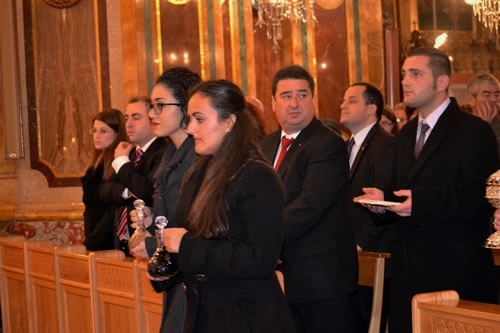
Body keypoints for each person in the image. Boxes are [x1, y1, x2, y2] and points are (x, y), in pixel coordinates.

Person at [355, 47, 499, 332]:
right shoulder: (407, 133)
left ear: (441, 82)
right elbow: (402, 191)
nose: (405, 81)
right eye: (404, 74)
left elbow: (477, 195)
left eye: (416, 74)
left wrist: (418, 203)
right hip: (409, 269)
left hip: (455, 269)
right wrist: (382, 201)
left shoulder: (473, 130)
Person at [161, 79, 295, 332]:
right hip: (206, 313)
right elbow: (199, 242)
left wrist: (186, 246)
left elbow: (259, 258)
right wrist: (168, 268)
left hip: (245, 317)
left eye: (200, 119)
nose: (190, 128)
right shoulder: (200, 170)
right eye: (189, 119)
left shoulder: (257, 176)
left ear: (229, 122)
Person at [261, 65, 358, 333]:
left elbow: (309, 205)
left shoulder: (327, 144)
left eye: (302, 95)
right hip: (278, 278)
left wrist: (262, 239)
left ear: (314, 99)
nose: (294, 103)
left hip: (320, 281)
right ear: (273, 102)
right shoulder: (265, 145)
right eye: (286, 95)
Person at [130, 67, 202, 333]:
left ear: (185, 106)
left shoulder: (198, 157)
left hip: (195, 281)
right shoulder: (169, 154)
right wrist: (149, 219)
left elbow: (194, 226)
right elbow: (169, 215)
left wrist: (152, 244)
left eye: (160, 105)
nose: (152, 114)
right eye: (152, 106)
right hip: (176, 278)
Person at [340, 82, 395, 333]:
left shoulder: (384, 144)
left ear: (372, 108)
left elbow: (381, 199)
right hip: (347, 251)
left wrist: (362, 242)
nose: (343, 105)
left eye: (352, 100)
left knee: (367, 321)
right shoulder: (346, 146)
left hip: (371, 252)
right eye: (344, 100)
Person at [99, 95, 165, 255]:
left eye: (136, 118)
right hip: (122, 239)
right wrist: (128, 191)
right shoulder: (130, 153)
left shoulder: (163, 151)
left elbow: (147, 191)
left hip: (149, 244)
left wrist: (121, 162)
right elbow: (105, 190)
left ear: (153, 120)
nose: (128, 124)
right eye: (127, 118)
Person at [82, 109, 127, 250]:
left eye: (103, 131)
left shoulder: (119, 163)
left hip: (107, 238)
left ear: (117, 133)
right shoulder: (95, 163)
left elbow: (113, 210)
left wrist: (93, 240)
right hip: (93, 232)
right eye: (94, 131)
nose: (97, 136)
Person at [463, 73, 500, 155]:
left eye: (497, 95)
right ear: (471, 99)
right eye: (487, 95)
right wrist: (483, 128)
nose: (494, 99)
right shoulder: (459, 125)